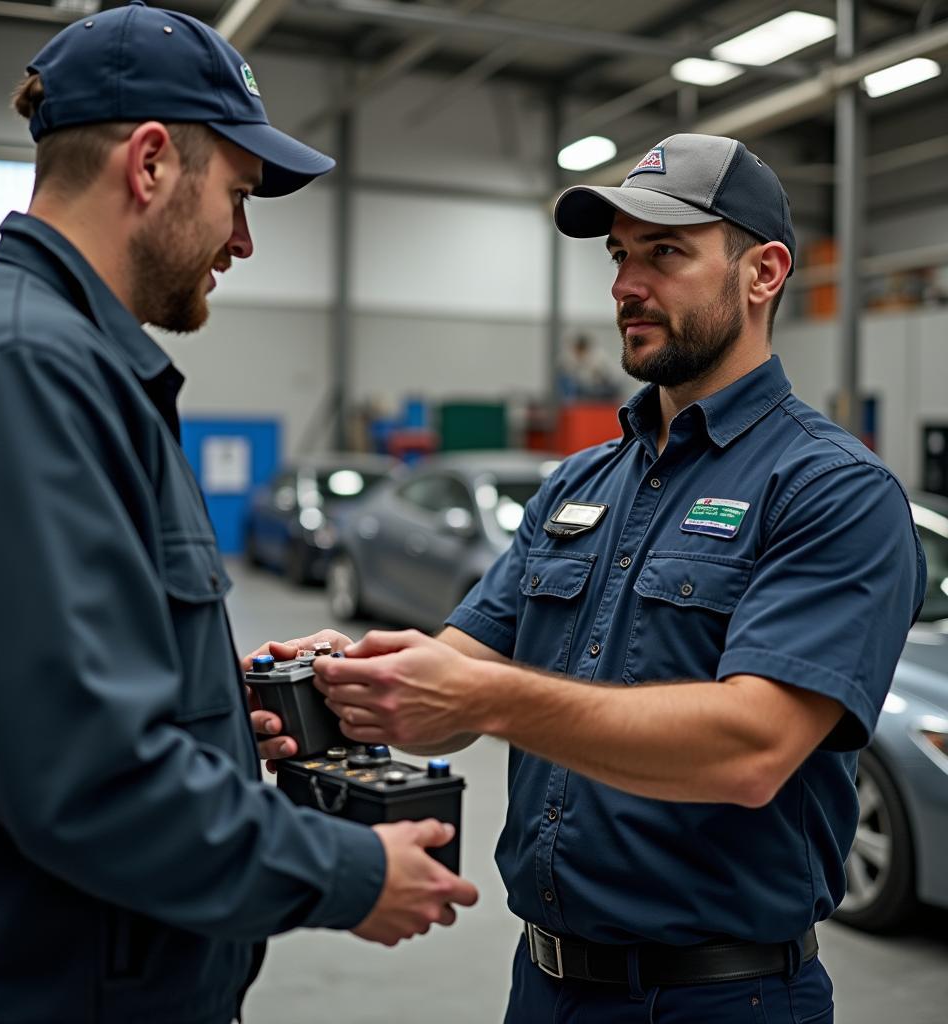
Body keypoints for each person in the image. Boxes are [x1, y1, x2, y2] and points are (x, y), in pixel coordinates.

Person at [255, 134, 926, 1023]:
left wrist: (487, 699)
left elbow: (754, 749)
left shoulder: (831, 490)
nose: (624, 286)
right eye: (618, 255)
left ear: (763, 273)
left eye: (665, 253)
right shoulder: (578, 486)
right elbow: (454, 678)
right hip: (546, 988)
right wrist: (350, 679)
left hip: (724, 997)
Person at [0, 4, 477, 1022]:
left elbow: (52, 674)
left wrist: (216, 708)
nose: (244, 240)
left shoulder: (75, 367)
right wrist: (349, 872)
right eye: (236, 193)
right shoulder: (25, 370)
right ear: (148, 164)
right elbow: (78, 770)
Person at [557, 331, 620, 401]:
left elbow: (604, 378)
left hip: (605, 387)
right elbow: (564, 367)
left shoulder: (597, 356)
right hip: (588, 388)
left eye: (577, 349)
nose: (575, 352)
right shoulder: (575, 358)